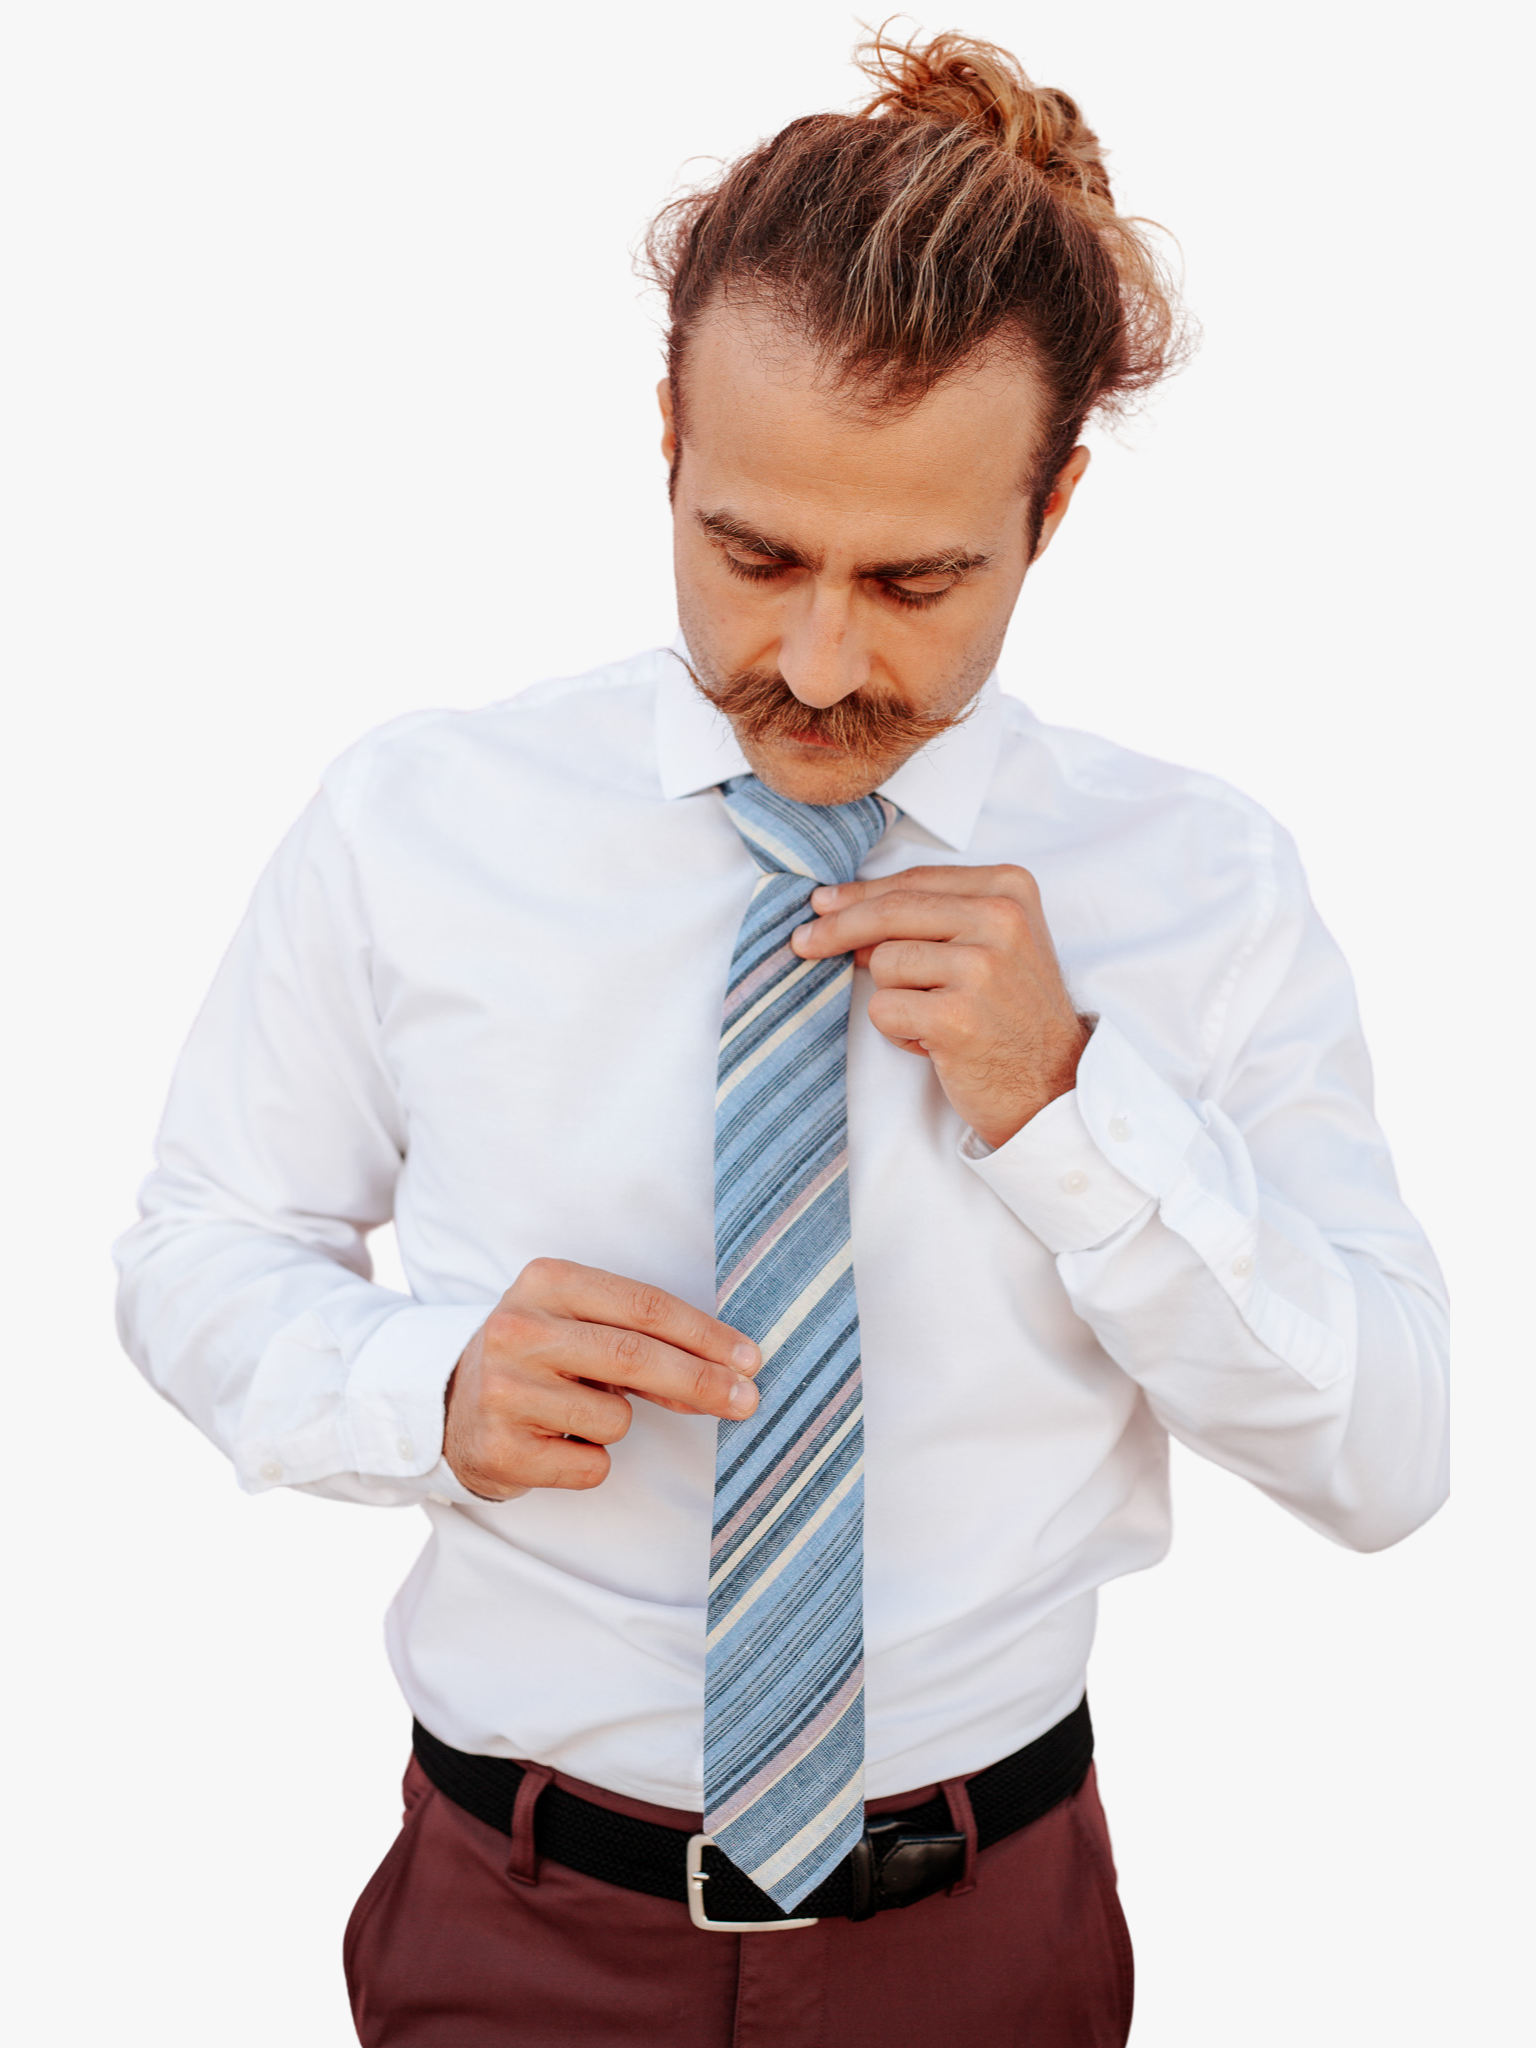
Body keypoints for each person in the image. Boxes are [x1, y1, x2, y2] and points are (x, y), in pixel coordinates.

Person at [114, 29, 1449, 2047]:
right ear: (666, 432)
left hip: (983, 1940)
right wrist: (421, 1380)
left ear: (1055, 505)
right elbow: (198, 1244)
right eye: (755, 556)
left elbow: (1386, 1453)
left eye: (917, 579)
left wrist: (1073, 1104)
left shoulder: (1203, 888)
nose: (819, 661)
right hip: (515, 1928)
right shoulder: (418, 820)